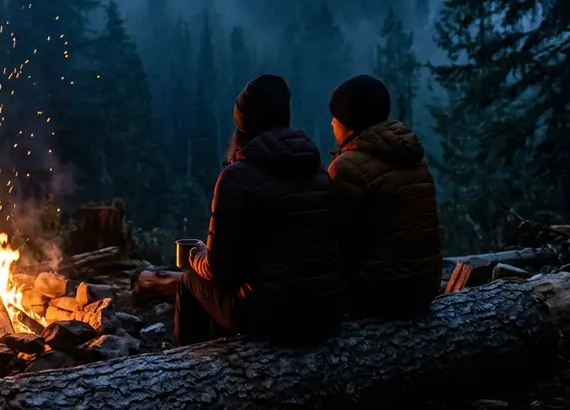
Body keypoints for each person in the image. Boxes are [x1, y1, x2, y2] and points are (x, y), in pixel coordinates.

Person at [175, 74, 346, 345]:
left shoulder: (236, 177)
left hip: (272, 314)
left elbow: (218, 269)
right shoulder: (317, 169)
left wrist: (196, 254)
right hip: (326, 309)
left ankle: (187, 375)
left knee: (189, 281)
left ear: (243, 124)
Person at [326, 74, 443, 318]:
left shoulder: (347, 167)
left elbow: (336, 243)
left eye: (335, 117)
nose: (331, 123)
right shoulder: (415, 160)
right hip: (425, 288)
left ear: (350, 123)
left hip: (379, 294)